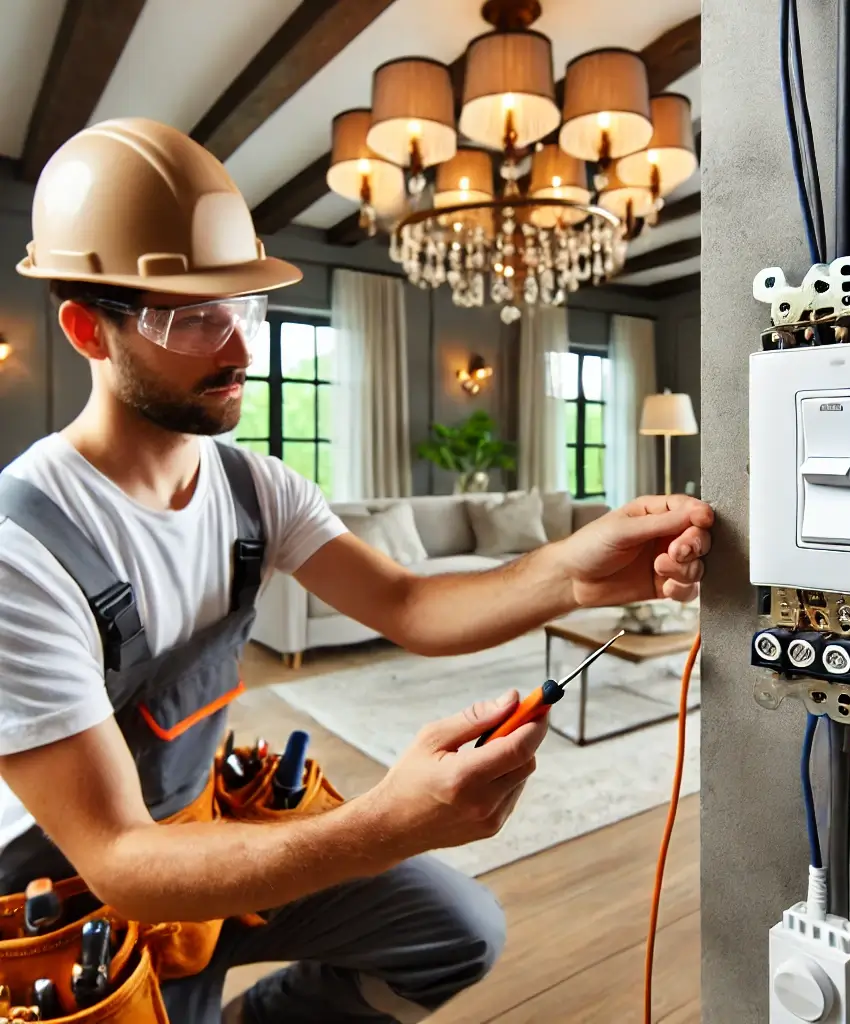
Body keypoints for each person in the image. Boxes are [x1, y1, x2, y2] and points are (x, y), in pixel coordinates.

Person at [0, 118, 713, 1024]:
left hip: (201, 830)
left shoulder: (256, 488)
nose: (242, 350)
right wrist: (387, 821)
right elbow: (119, 860)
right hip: (65, 906)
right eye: (194, 317)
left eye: (245, 309)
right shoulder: (21, 549)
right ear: (86, 331)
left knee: (456, 929)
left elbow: (409, 604)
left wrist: (574, 573)